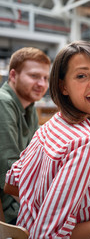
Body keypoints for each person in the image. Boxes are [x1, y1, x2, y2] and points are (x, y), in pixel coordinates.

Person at [5, 41, 90, 238]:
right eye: (81, 75)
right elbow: (48, 236)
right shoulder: (87, 143)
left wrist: (45, 201)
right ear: (63, 87)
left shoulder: (52, 124)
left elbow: (11, 183)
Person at [0, 47, 51, 224]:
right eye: (34, 76)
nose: (42, 84)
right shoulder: (3, 102)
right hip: (11, 211)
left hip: (24, 200)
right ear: (13, 76)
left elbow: (39, 156)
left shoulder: (29, 107)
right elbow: (8, 170)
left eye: (45, 78)